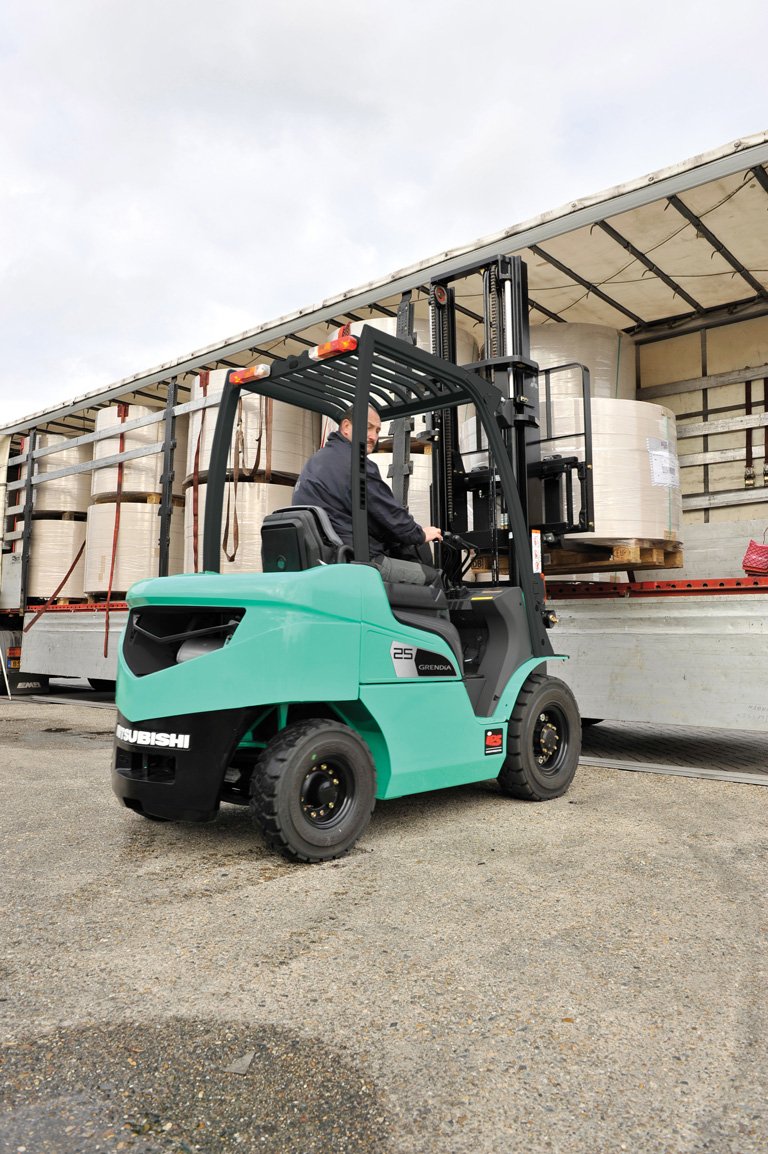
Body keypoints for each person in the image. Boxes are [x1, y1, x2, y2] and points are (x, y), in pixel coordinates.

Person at [292, 405, 442, 585]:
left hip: (326, 558)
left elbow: (366, 515)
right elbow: (389, 513)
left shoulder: (317, 460)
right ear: (346, 427)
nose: (373, 436)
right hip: (355, 560)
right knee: (432, 579)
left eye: (377, 430)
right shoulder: (357, 463)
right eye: (367, 427)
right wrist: (419, 534)